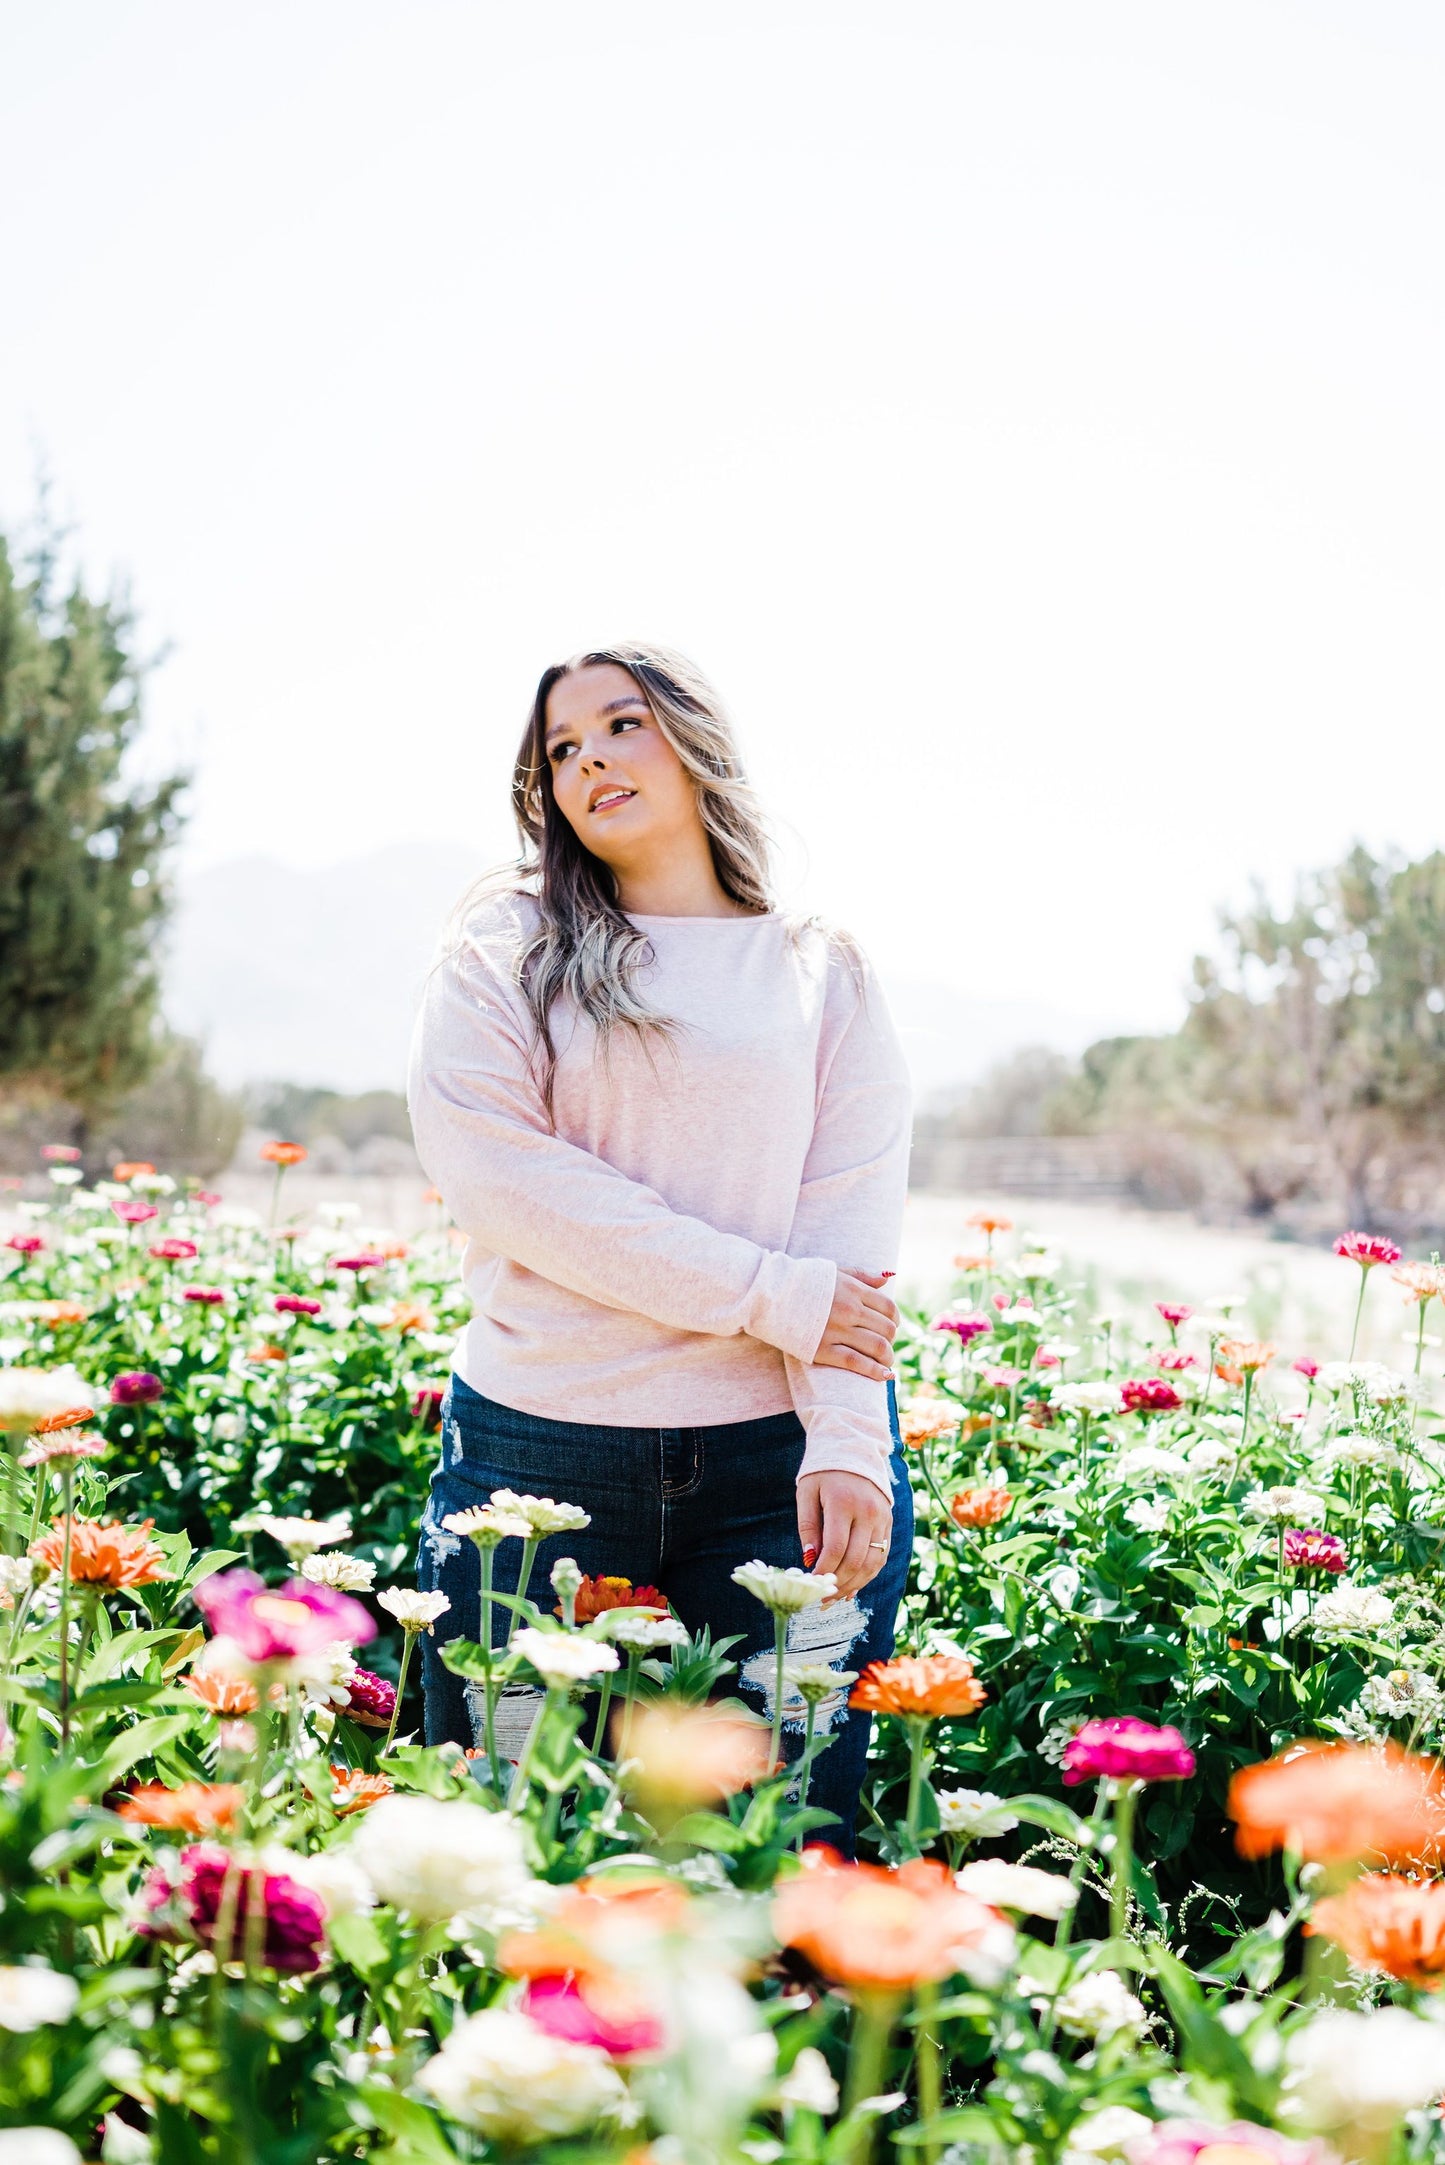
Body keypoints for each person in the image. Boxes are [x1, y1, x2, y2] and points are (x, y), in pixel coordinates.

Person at [407, 641, 913, 1846]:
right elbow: (505, 1180)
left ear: (693, 738)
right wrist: (765, 1294)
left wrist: (845, 1437)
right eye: (561, 750)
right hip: (535, 1463)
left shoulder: (815, 966)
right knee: (507, 1846)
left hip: (772, 1468)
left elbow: (846, 1223)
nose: (590, 760)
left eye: (619, 724)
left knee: (781, 1854)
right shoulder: (503, 947)